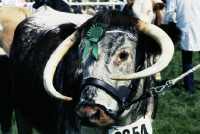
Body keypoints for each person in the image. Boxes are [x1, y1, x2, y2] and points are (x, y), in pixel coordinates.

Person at [162, 0, 200, 92]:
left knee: (187, 60)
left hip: (186, 26)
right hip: (192, 25)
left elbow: (169, 11)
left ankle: (189, 87)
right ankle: (189, 87)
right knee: (187, 58)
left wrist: (164, 22)